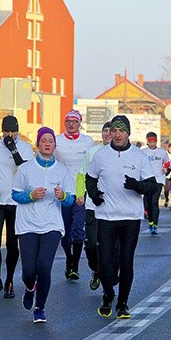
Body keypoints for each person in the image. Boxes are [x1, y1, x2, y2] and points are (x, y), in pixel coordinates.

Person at [86, 115, 158, 319]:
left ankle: (123, 304)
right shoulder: (101, 155)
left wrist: (137, 186)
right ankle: (108, 295)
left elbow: (152, 187)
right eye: (114, 131)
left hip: (130, 217)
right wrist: (94, 195)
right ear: (110, 133)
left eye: (121, 131)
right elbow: (90, 179)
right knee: (105, 262)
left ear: (128, 133)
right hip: (106, 216)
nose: (117, 135)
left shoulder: (139, 156)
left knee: (126, 261)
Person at [12, 127, 75, 323]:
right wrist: (30, 196)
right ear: (38, 144)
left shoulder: (62, 170)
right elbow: (14, 194)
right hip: (28, 224)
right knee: (29, 270)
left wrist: (63, 196)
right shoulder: (26, 169)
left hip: (51, 224)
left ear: (55, 146)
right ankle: (30, 288)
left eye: (51, 141)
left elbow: (70, 200)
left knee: (44, 267)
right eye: (44, 140)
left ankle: (40, 308)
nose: (47, 144)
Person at [0, 115, 34, 298]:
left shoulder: (25, 148)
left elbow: (25, 170)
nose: (9, 134)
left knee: (12, 243)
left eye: (12, 130)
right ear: (1, 130)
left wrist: (13, 149)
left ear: (17, 130)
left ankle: (10, 280)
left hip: (15, 201)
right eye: (6, 131)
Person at [54, 109, 95, 281]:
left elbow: (93, 166)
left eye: (74, 121)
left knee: (78, 229)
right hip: (62, 192)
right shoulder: (57, 141)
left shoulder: (88, 142)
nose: (71, 124)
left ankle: (75, 265)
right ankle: (68, 259)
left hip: (81, 192)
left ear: (80, 123)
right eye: (68, 121)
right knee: (65, 230)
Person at [76, 121, 115, 290]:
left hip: (113, 209)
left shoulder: (120, 153)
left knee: (109, 247)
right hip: (93, 207)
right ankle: (96, 270)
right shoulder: (93, 152)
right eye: (105, 131)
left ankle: (108, 276)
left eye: (111, 131)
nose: (108, 134)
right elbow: (81, 175)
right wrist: (80, 194)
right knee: (91, 245)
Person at [141, 131, 169, 235]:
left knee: (154, 202)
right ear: (147, 142)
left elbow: (167, 162)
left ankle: (155, 226)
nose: (152, 144)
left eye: (154, 142)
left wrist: (166, 168)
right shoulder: (143, 152)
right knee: (148, 202)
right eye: (150, 142)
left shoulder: (161, 152)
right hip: (147, 179)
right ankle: (151, 222)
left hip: (159, 180)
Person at [163, 143, 171, 208]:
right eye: (170, 148)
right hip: (166, 175)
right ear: (168, 148)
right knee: (166, 189)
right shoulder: (165, 154)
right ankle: (167, 199)